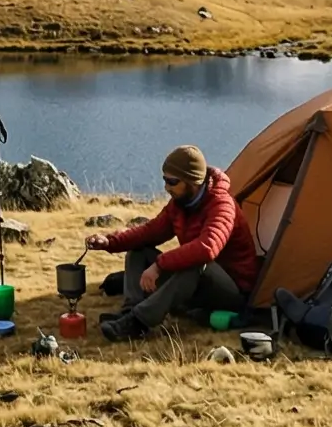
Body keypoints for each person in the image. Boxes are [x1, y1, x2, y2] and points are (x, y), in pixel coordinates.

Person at [84, 145, 263, 339]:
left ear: (192, 181)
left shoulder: (222, 205)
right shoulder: (179, 204)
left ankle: (139, 323)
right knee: (139, 251)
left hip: (231, 292)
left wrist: (159, 266)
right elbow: (149, 232)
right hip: (197, 286)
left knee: (197, 263)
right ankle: (130, 311)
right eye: (165, 180)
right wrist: (110, 242)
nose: (166, 187)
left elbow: (207, 248)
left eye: (172, 181)